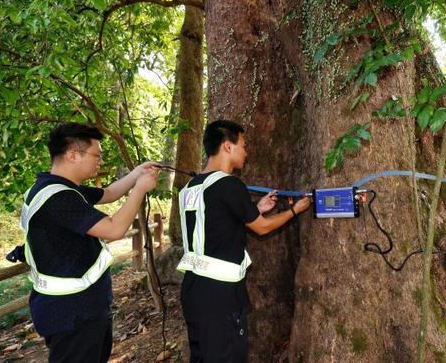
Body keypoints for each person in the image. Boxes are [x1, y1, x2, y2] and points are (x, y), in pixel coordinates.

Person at [21, 122, 159, 362]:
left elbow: (109, 194)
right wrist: (139, 190)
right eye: (97, 155)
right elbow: (114, 229)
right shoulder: (59, 198)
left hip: (80, 308)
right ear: (73, 155)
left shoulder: (56, 187)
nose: (100, 161)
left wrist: (136, 173)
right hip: (72, 313)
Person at [177, 120, 311, 362]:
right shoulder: (229, 184)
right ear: (228, 146)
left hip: (194, 293)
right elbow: (262, 227)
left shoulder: (190, 187)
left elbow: (216, 223)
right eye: (243, 145)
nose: (246, 152)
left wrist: (255, 208)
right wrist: (296, 210)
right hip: (221, 299)